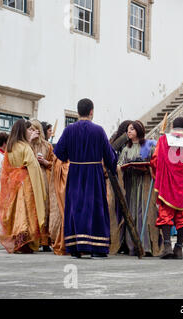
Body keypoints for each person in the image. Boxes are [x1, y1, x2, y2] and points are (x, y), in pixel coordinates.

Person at [54, 98, 117, 258]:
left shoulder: (69, 130)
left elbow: (59, 153)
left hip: (75, 172)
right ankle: (97, 248)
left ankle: (76, 247)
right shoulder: (99, 130)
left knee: (76, 207)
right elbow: (109, 157)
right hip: (94, 174)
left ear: (78, 111)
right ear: (91, 111)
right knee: (95, 207)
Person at [151, 117, 183, 259]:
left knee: (165, 215)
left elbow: (156, 160)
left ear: (172, 126)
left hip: (167, 186)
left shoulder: (163, 140)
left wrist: (157, 174)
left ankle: (167, 245)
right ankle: (179, 248)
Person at [0, 120, 46, 253]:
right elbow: (33, 165)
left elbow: (6, 168)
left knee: (15, 213)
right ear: (22, 131)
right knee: (26, 214)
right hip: (26, 183)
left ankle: (17, 241)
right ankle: (24, 243)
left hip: (13, 184)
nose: (30, 131)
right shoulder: (24, 147)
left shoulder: (10, 147)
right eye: (28, 129)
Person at [118, 121, 159, 257]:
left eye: (131, 129)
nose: (129, 132)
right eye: (128, 130)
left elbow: (155, 162)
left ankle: (146, 246)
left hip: (145, 183)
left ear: (139, 130)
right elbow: (120, 165)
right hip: (131, 184)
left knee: (144, 214)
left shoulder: (149, 145)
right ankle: (132, 246)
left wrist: (146, 167)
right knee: (132, 213)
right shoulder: (126, 149)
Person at [107, 120, 132, 255]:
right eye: (128, 129)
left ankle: (126, 241)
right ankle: (117, 240)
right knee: (117, 210)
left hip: (128, 178)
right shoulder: (117, 140)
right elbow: (111, 150)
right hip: (116, 180)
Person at [30, 119, 54, 252]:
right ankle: (34, 240)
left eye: (34, 129)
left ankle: (45, 241)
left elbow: (54, 163)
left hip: (44, 178)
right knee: (32, 207)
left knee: (45, 208)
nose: (32, 132)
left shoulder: (47, 146)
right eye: (30, 129)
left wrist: (45, 162)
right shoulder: (27, 145)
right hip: (31, 178)